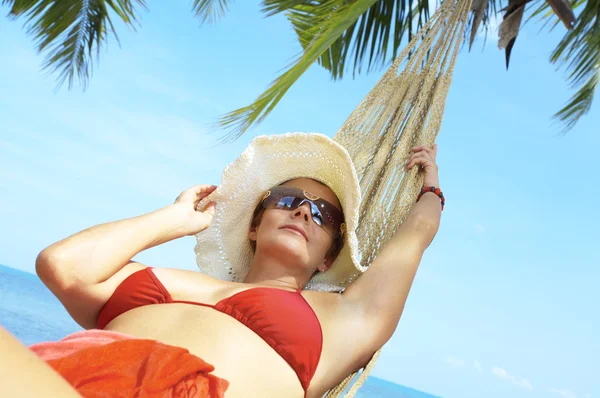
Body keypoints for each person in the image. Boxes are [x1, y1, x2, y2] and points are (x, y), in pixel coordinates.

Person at [0, 133, 442, 397]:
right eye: (288, 201)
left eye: (323, 214)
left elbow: (415, 237)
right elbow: (63, 264)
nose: (305, 212)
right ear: (254, 225)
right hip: (70, 378)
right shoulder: (163, 277)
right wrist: (175, 219)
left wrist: (431, 189)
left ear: (329, 255)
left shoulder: (345, 316)